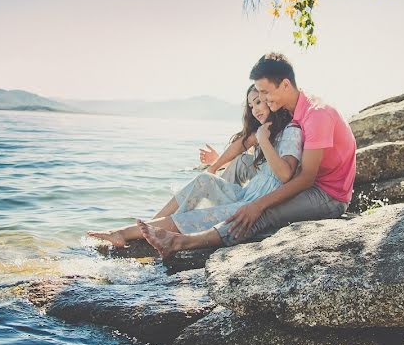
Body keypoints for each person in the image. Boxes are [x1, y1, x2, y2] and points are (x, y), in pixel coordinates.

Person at [140, 52, 356, 257]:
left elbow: (307, 178)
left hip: (328, 195)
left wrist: (257, 205)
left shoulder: (316, 115)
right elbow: (246, 142)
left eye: (265, 92)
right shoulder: (292, 108)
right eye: (258, 93)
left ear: (285, 85)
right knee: (242, 169)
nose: (261, 98)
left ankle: (181, 242)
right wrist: (214, 166)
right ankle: (198, 215)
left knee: (262, 212)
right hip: (308, 181)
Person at [87, 85, 302, 250]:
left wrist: (262, 139)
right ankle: (150, 225)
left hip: (255, 204)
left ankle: (124, 233)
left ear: (271, 99)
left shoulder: (290, 130)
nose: (254, 110)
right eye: (251, 105)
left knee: (196, 217)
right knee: (204, 180)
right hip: (246, 194)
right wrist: (214, 167)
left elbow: (285, 174)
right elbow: (239, 145)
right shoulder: (266, 130)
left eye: (258, 102)